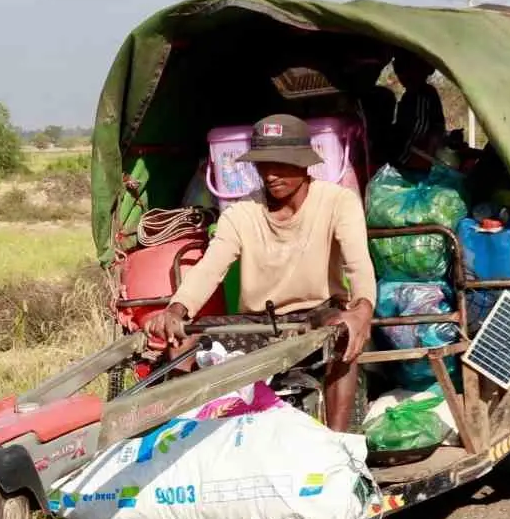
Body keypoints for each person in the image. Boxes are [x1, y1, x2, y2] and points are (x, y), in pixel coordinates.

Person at [146, 114, 376, 433]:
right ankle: (180, 433)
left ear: (304, 163)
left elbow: (359, 265)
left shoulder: (338, 202)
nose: (270, 174)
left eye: (281, 163)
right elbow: (210, 268)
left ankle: (336, 443)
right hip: (256, 323)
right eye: (263, 164)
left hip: (316, 317)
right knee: (183, 337)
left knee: (343, 330)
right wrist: (177, 308)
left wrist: (362, 309)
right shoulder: (241, 213)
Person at [388, 53, 447, 171]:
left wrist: (401, 159)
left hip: (414, 160)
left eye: (409, 68)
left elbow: (419, 128)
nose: (403, 75)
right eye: (399, 69)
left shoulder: (422, 95)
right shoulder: (409, 95)